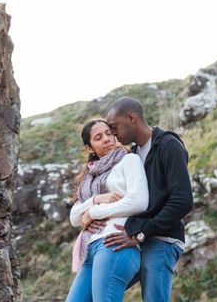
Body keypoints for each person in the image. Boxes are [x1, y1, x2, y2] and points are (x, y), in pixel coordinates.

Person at [103, 96, 193, 302]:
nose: (113, 134)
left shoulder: (168, 145)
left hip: (162, 240)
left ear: (132, 117)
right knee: (100, 290)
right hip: (136, 239)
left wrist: (141, 233)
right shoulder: (133, 154)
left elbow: (182, 200)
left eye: (114, 127)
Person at [66, 119, 149, 302]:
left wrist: (95, 212)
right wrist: (96, 199)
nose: (107, 139)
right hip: (90, 250)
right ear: (89, 148)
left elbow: (139, 201)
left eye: (109, 133)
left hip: (115, 244)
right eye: (98, 137)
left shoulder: (129, 160)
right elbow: (74, 217)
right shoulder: (89, 178)